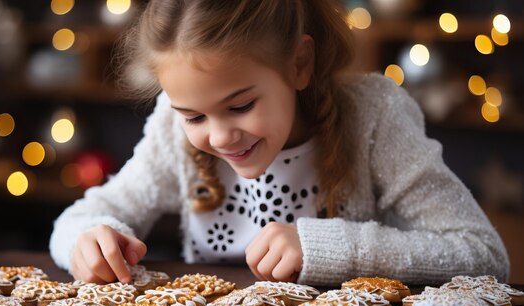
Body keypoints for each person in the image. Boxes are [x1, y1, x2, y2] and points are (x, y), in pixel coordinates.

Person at [49, 0, 509, 286]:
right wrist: (86, 242)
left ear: (299, 64)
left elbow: (483, 255)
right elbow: (83, 217)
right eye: (193, 115)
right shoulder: (172, 132)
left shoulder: (373, 116)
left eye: (241, 105)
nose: (220, 136)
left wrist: (327, 248)